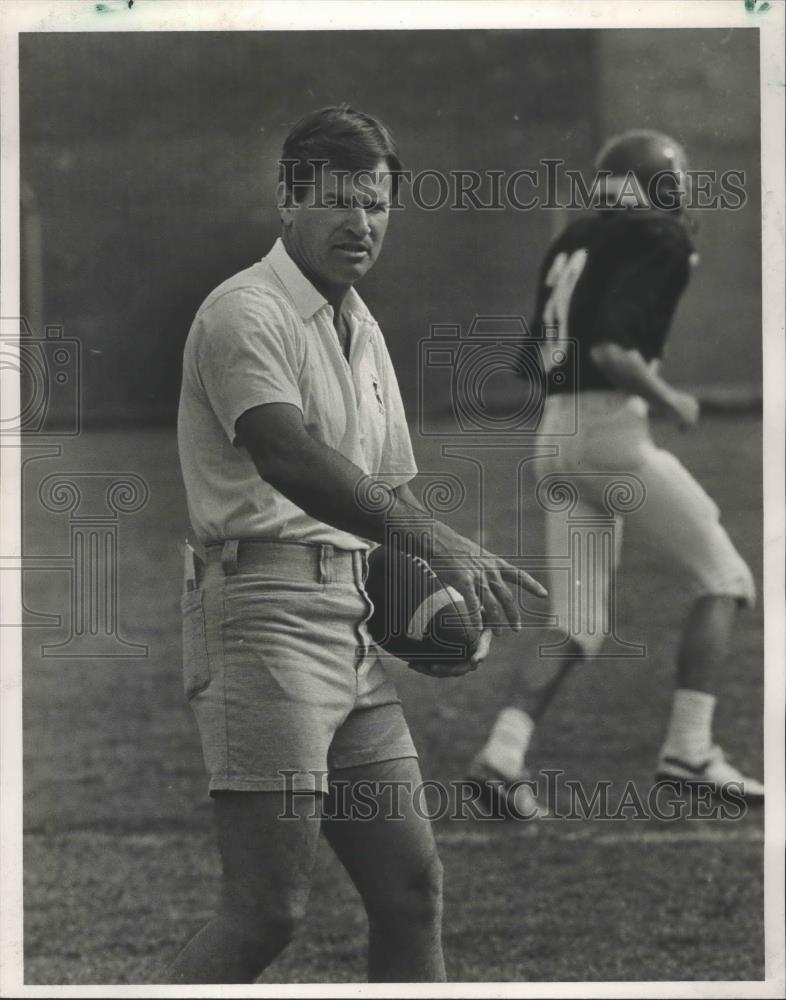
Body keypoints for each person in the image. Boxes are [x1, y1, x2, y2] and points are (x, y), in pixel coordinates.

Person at [169, 104, 546, 984]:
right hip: (261, 618)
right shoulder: (243, 311)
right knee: (266, 912)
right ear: (287, 198)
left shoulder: (361, 325)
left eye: (376, 205)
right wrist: (434, 541)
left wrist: (440, 600)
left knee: (411, 891)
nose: (361, 223)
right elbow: (287, 453)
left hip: (350, 621)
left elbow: (391, 487)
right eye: (338, 201)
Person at [468, 129, 763, 817]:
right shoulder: (656, 235)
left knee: (578, 621)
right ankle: (690, 750)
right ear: (660, 184)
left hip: (555, 432)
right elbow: (611, 346)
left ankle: (502, 754)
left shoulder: (574, 236)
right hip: (609, 432)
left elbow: (535, 357)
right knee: (725, 579)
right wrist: (672, 400)